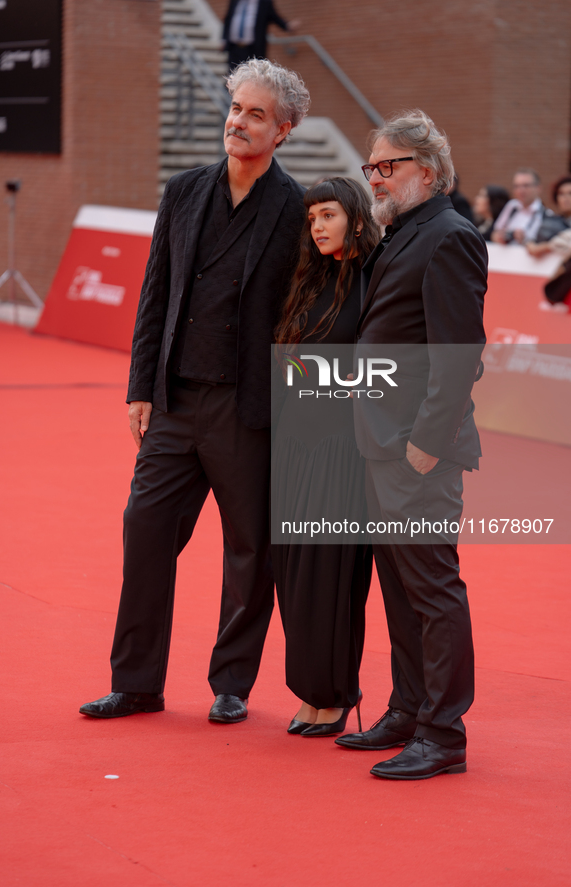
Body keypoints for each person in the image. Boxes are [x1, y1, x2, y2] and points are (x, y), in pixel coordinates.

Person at [79, 59, 310, 725]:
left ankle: (231, 682)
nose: (238, 121)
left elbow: (304, 314)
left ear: (284, 130)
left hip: (249, 409)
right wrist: (139, 387)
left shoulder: (296, 207)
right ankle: (136, 681)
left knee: (248, 550)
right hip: (174, 402)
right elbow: (156, 294)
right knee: (144, 529)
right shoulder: (182, 192)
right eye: (236, 108)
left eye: (256, 114)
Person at [335, 110, 487, 780]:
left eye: (385, 166)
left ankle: (442, 732)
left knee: (431, 589)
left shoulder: (448, 237)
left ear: (425, 170)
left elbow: (456, 355)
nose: (375, 178)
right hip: (383, 443)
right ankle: (406, 709)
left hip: (415, 451)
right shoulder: (403, 232)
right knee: (398, 588)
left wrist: (424, 444)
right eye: (371, 166)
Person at [272, 177, 378, 737]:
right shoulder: (310, 281)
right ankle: (309, 689)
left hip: (343, 453)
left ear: (356, 218)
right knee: (291, 573)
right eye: (311, 216)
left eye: (328, 214)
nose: (316, 225)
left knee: (330, 576)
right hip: (294, 446)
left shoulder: (375, 280)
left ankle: (334, 693)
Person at [222, 0, 301, 71]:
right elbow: (228, 19)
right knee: (232, 73)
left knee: (251, 73)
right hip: (234, 47)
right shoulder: (235, 1)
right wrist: (223, 39)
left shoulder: (264, 3)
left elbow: (275, 17)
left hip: (252, 49)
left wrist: (287, 25)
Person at [491, 168, 562, 244]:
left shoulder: (547, 215)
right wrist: (501, 237)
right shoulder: (512, 206)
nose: (521, 190)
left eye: (526, 186)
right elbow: (495, 233)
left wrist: (524, 240)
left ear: (538, 188)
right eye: (516, 186)